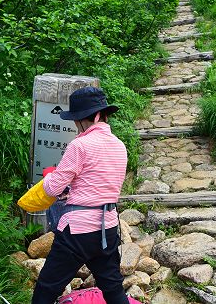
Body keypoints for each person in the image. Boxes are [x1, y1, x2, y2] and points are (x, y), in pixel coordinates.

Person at [32, 86, 129, 304]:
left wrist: (50, 176)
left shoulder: (80, 145)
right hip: (108, 228)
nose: (77, 125)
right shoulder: (120, 146)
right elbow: (99, 183)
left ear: (94, 116)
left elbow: (52, 189)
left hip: (77, 231)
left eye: (78, 119)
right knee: (113, 289)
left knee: (46, 289)